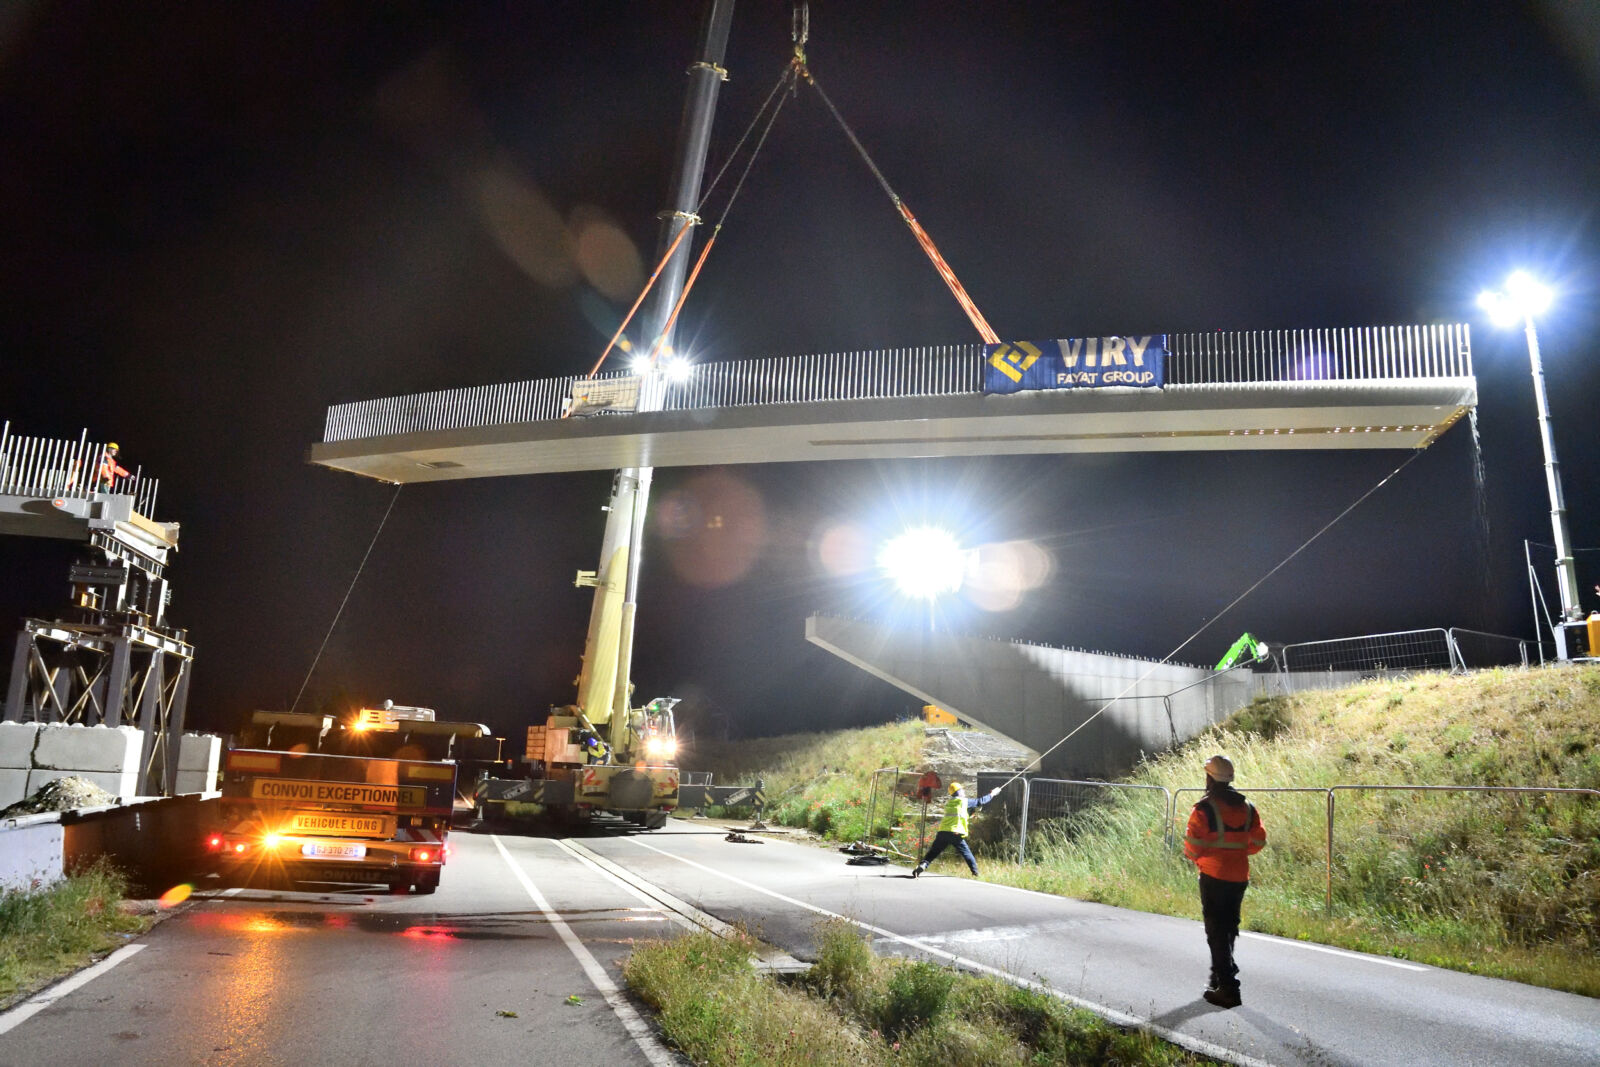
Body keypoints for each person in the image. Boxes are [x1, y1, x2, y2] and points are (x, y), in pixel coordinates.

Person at [1183, 753, 1266, 1009]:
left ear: (1209, 778)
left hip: (1213, 876)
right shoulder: (1247, 807)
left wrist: (1205, 858)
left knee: (1215, 930)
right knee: (1228, 927)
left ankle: (1228, 987)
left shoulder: (1204, 809)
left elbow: (1192, 847)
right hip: (1239, 875)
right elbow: (1258, 840)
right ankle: (1220, 975)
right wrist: (1237, 854)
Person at [912, 781, 1000, 878]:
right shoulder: (964, 801)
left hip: (943, 832)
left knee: (933, 852)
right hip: (956, 833)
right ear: (959, 792)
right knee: (966, 853)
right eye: (962, 790)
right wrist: (993, 794)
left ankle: (923, 865)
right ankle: (975, 873)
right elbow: (980, 801)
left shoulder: (950, 803)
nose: (964, 792)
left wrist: (972, 812)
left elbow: (961, 813)